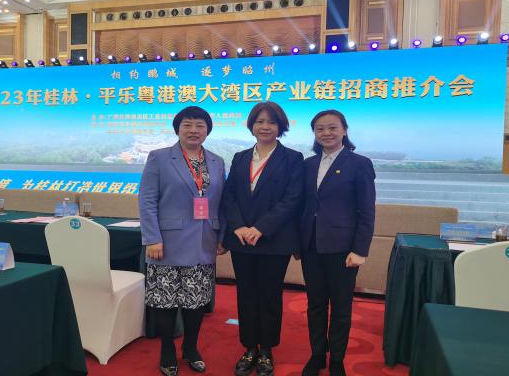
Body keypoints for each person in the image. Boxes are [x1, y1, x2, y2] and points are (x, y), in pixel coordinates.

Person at [139, 106, 226, 376]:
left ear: (208, 130)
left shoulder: (217, 161)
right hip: (166, 243)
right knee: (165, 300)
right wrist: (152, 238)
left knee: (196, 300)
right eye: (187, 125)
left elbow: (222, 203)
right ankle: (167, 349)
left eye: (200, 125)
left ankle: (190, 347)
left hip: (204, 241)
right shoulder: (160, 158)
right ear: (177, 129)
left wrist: (221, 236)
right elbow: (147, 199)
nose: (193, 130)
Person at [222, 101, 304, 376]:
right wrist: (238, 226)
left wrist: (261, 228)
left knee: (269, 295)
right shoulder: (240, 157)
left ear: (281, 127)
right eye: (259, 121)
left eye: (271, 122)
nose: (265, 126)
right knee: (245, 295)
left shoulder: (293, 158)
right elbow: (229, 195)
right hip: (242, 240)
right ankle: (249, 348)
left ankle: (266, 349)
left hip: (273, 240)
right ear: (251, 125)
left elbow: (292, 199)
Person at [299, 110, 376, 376]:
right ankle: (318, 355)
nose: (326, 133)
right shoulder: (308, 164)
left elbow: (367, 211)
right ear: (314, 133)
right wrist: (298, 243)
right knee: (315, 304)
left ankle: (337, 360)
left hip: (343, 249)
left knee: (341, 307)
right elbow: (302, 206)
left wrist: (360, 250)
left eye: (332, 127)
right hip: (311, 246)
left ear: (344, 130)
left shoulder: (359, 164)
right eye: (320, 129)